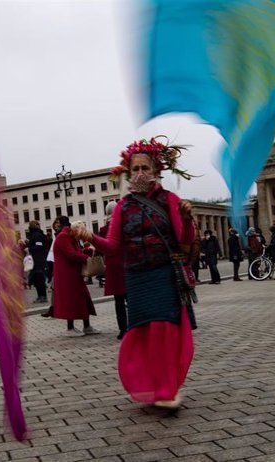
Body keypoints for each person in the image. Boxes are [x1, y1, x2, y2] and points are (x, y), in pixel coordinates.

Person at [74, 136, 196, 409]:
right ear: (129, 173)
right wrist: (90, 237)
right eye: (135, 169)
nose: (140, 173)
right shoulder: (123, 207)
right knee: (142, 332)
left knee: (164, 329)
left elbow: (183, 239)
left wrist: (187, 220)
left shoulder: (169, 199)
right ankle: (150, 385)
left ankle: (168, 388)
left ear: (156, 171)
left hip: (164, 273)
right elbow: (114, 247)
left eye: (145, 168)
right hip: (137, 276)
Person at [52, 217, 100, 336]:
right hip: (67, 275)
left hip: (73, 273)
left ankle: (86, 326)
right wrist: (86, 258)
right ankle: (70, 328)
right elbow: (71, 254)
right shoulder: (64, 237)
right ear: (75, 230)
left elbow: (76, 252)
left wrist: (86, 252)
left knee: (83, 298)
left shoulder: (70, 237)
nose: (80, 237)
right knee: (71, 300)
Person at [99, 201, 128, 339]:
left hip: (113, 266)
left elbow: (101, 247)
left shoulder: (104, 229)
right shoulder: (125, 226)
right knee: (131, 298)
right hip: (126, 264)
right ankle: (135, 326)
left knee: (118, 301)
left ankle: (123, 329)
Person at [27, 221, 49, 303]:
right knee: (37, 279)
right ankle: (41, 296)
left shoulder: (36, 235)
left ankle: (42, 296)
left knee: (39, 279)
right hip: (38, 259)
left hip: (37, 260)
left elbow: (38, 247)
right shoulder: (38, 234)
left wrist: (29, 249)